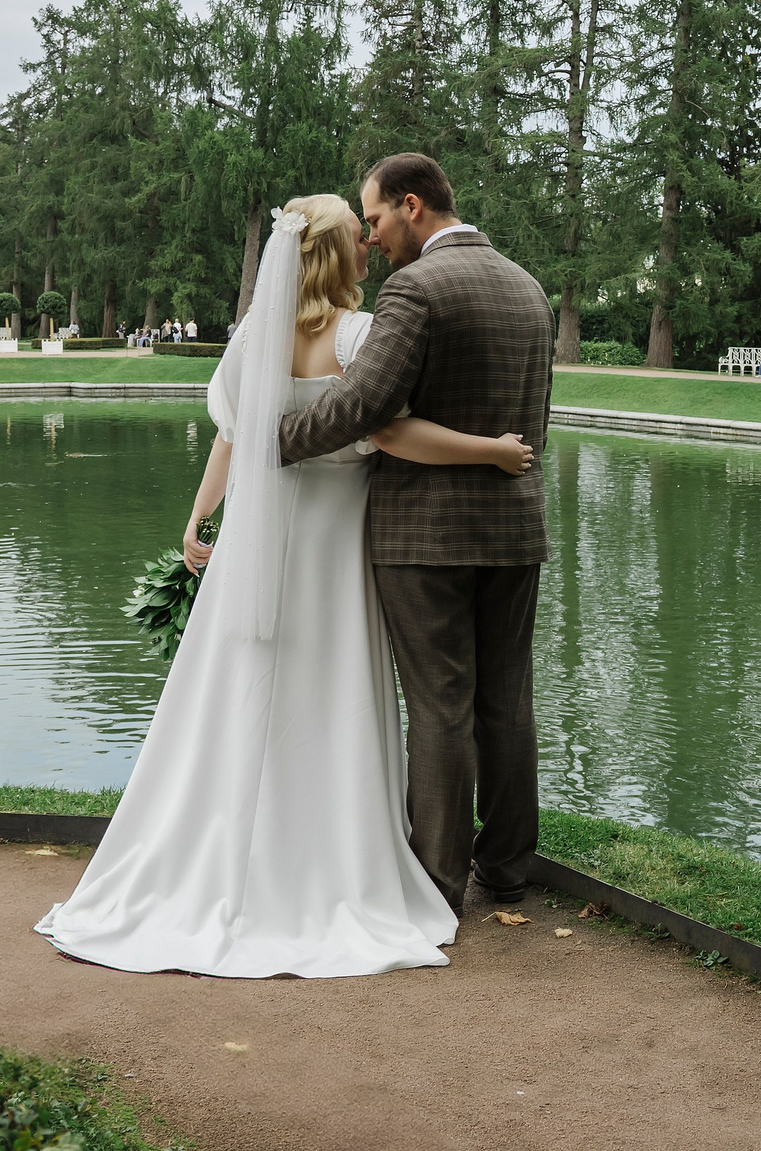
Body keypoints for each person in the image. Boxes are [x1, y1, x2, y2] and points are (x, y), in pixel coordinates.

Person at [36, 188, 537, 978]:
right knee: (334, 693)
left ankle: (232, 846)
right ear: (339, 256)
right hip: (339, 543)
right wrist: (490, 451)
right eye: (360, 240)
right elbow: (388, 430)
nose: (371, 248)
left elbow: (233, 440)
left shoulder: (251, 339)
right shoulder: (359, 333)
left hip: (261, 542)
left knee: (244, 688)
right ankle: (334, 855)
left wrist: (199, 522)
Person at [278, 151, 554, 916]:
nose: (370, 238)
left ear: (412, 206)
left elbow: (362, 405)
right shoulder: (530, 289)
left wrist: (277, 438)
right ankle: (504, 867)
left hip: (423, 536)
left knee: (439, 705)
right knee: (507, 699)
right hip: (514, 528)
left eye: (374, 220)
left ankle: (437, 882)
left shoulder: (418, 288)